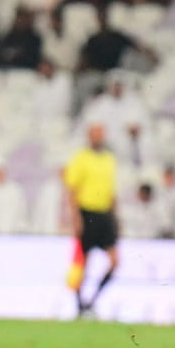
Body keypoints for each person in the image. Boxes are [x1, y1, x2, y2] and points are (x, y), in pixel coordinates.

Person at [62, 123, 120, 317]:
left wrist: (115, 218)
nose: (98, 137)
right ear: (89, 136)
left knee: (114, 261)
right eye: (95, 134)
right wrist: (76, 217)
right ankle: (79, 306)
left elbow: (111, 192)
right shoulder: (81, 158)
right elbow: (72, 190)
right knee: (83, 264)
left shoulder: (109, 160)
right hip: (87, 213)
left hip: (104, 215)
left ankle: (92, 300)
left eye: (100, 133)